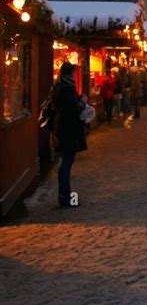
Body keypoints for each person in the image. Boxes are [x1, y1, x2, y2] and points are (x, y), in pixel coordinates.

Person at [52, 62, 87, 208]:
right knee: (66, 162)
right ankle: (66, 197)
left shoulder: (59, 86)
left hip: (61, 128)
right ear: (70, 73)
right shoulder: (67, 88)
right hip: (68, 129)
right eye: (73, 72)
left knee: (65, 162)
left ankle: (64, 196)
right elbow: (73, 108)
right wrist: (82, 102)